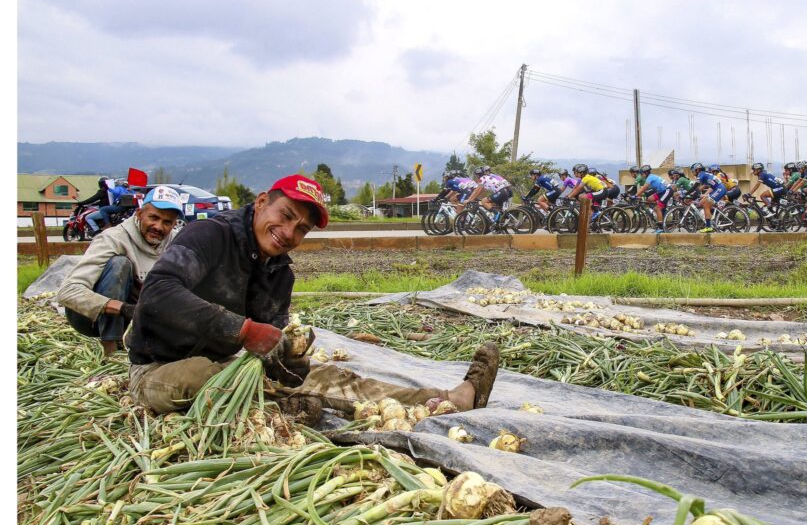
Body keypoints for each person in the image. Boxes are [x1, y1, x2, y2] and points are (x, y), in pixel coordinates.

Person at [124, 175, 499, 422]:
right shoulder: (208, 237)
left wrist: (290, 356)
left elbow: (267, 352)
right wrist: (241, 329)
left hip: (232, 363)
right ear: (260, 203)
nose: (288, 232)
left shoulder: (279, 274)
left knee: (328, 376)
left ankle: (447, 399)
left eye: (300, 228)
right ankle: (284, 408)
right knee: (207, 377)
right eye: (284, 216)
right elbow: (157, 296)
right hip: (161, 368)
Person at [58, 186, 184, 357]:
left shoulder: (177, 242)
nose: (159, 226)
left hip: (140, 314)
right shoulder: (113, 238)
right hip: (90, 317)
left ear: (174, 223)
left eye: (167, 222)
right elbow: (68, 292)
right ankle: (111, 349)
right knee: (120, 264)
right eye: (153, 217)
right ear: (139, 214)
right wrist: (123, 308)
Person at [690, 162, 726, 233]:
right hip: (716, 189)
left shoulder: (701, 174)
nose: (692, 172)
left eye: (693, 171)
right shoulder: (705, 175)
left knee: (706, 204)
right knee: (702, 202)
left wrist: (688, 194)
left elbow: (695, 186)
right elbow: (701, 188)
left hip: (719, 189)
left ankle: (709, 226)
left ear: (697, 170)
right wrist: (698, 194)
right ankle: (710, 218)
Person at [637, 165, 673, 233]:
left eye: (641, 174)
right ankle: (657, 210)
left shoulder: (650, 178)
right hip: (662, 191)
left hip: (667, 191)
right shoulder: (651, 176)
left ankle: (660, 228)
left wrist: (636, 195)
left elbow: (644, 188)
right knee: (649, 199)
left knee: (657, 208)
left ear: (645, 173)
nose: (641, 175)